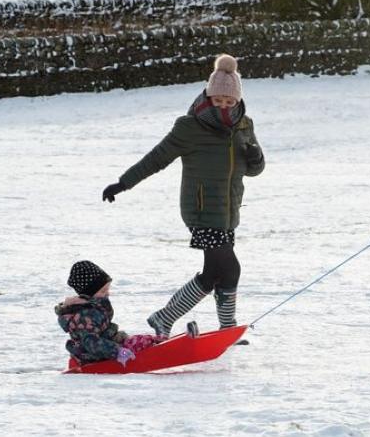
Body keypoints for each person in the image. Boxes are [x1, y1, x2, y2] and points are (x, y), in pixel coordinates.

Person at [101, 54, 265, 340]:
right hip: (201, 210)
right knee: (228, 268)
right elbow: (156, 158)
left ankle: (183, 321)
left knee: (218, 274)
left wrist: (256, 156)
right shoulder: (189, 127)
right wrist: (122, 183)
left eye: (229, 102)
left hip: (228, 212)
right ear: (208, 96)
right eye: (218, 101)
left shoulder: (243, 125)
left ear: (237, 101)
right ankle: (188, 321)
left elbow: (254, 170)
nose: (224, 107)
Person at [56, 260, 163, 366]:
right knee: (139, 344)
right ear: (89, 294)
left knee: (142, 341)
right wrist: (118, 352)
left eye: (107, 289)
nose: (107, 293)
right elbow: (91, 342)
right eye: (103, 291)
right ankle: (163, 353)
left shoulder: (92, 307)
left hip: (109, 346)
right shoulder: (85, 315)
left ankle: (158, 343)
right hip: (98, 355)